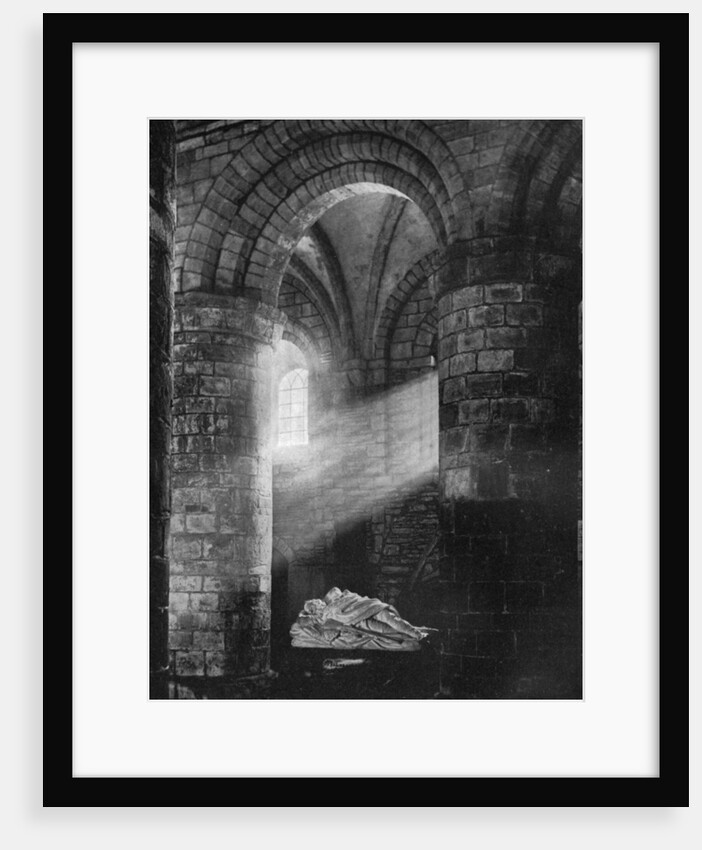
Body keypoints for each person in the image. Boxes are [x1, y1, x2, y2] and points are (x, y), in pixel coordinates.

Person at [290, 587, 434, 651]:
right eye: (315, 604)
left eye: (318, 601)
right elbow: (300, 621)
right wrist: (306, 614)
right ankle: (416, 635)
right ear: (313, 610)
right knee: (387, 630)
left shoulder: (332, 600)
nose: (320, 603)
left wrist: (338, 599)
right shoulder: (322, 617)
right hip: (360, 622)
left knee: (392, 619)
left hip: (367, 607)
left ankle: (418, 633)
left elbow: (343, 594)